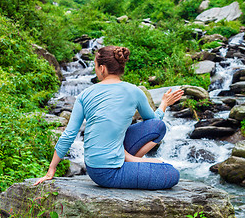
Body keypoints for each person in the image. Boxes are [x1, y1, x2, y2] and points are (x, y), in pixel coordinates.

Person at [34, 46, 184, 189]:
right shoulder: (135, 91)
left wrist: (51, 169)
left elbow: (69, 134)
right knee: (171, 173)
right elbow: (153, 119)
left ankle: (128, 159)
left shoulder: (84, 95)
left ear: (102, 68)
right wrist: (164, 103)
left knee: (158, 128)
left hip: (95, 167)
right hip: (106, 172)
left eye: (95, 65)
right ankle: (130, 160)